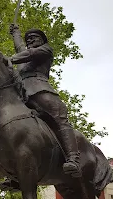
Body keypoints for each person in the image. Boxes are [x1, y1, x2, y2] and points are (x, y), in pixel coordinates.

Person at [9, 24, 82, 177]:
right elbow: (20, 47)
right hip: (21, 95)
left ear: (42, 40)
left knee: (60, 119)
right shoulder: (25, 53)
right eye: (28, 38)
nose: (30, 40)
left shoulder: (45, 50)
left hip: (40, 90)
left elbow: (28, 53)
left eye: (33, 38)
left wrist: (8, 60)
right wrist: (16, 32)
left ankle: (74, 159)